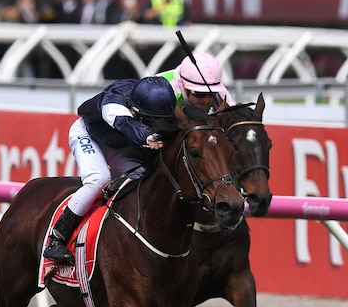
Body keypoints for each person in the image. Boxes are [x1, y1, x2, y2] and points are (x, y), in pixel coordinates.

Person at [43, 76, 178, 265]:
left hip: (119, 144)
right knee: (99, 179)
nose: (154, 125)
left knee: (146, 177)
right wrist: (147, 136)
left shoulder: (158, 100)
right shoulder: (115, 101)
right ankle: (56, 239)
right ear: (134, 110)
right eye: (150, 121)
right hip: (88, 134)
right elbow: (123, 122)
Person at [158, 52, 235, 111]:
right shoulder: (162, 90)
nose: (206, 100)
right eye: (200, 94)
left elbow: (234, 117)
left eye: (211, 94)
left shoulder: (215, 86)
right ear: (183, 85)